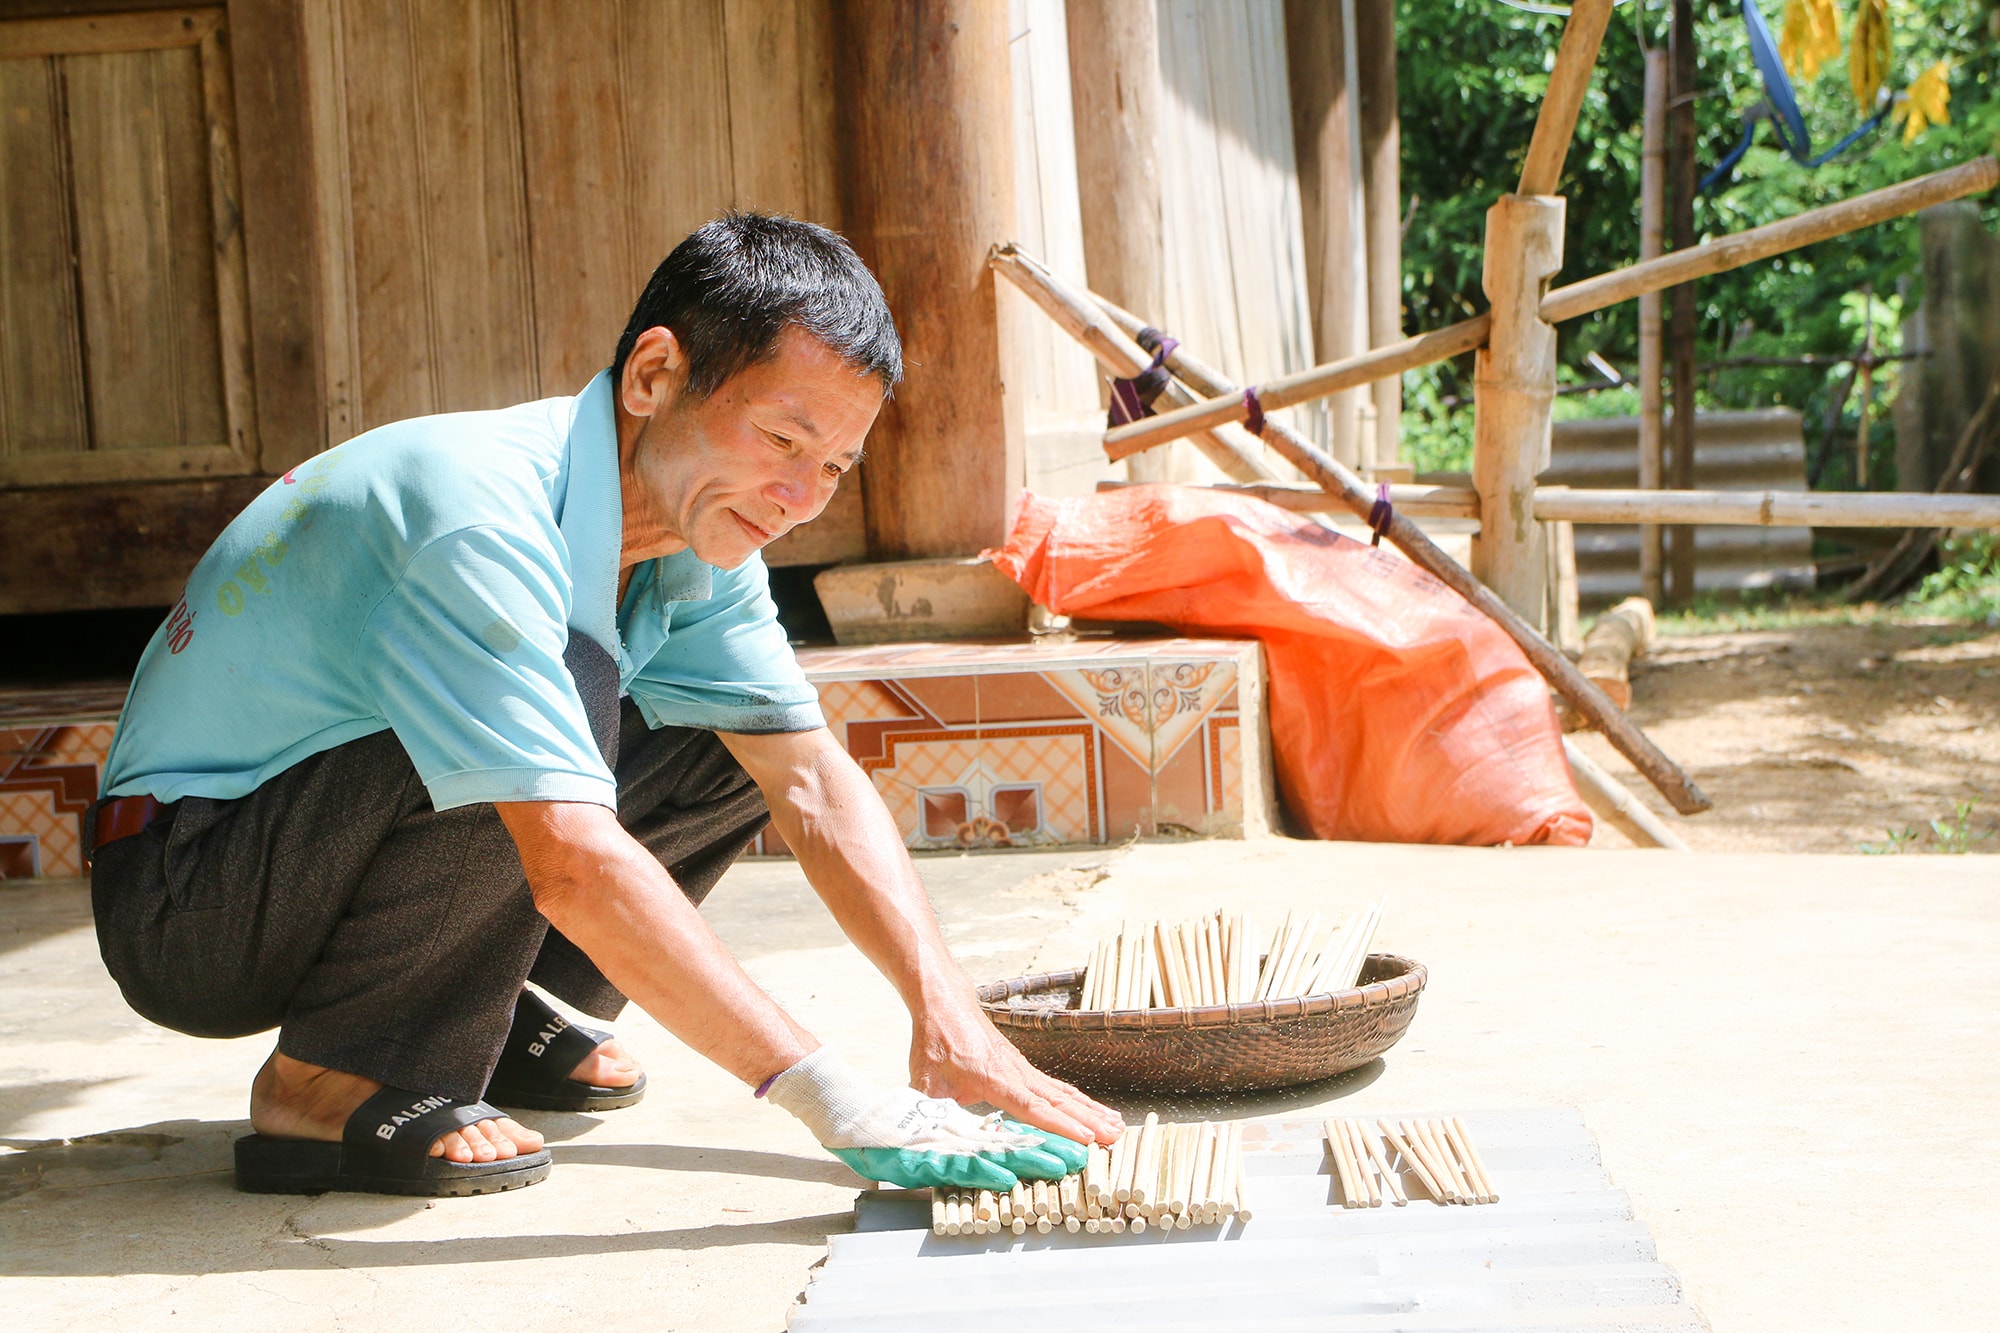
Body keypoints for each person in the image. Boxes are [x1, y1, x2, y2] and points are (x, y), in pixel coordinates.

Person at [87, 212, 1120, 1197]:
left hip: (304, 858)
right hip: (193, 898)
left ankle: (487, 1007)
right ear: (654, 376)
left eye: (833, 465)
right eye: (779, 439)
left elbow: (806, 780)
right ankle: (331, 1078)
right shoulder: (475, 519)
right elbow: (572, 860)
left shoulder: (695, 542)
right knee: (562, 709)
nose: (801, 498)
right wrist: (834, 1098)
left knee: (737, 740)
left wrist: (950, 1018)